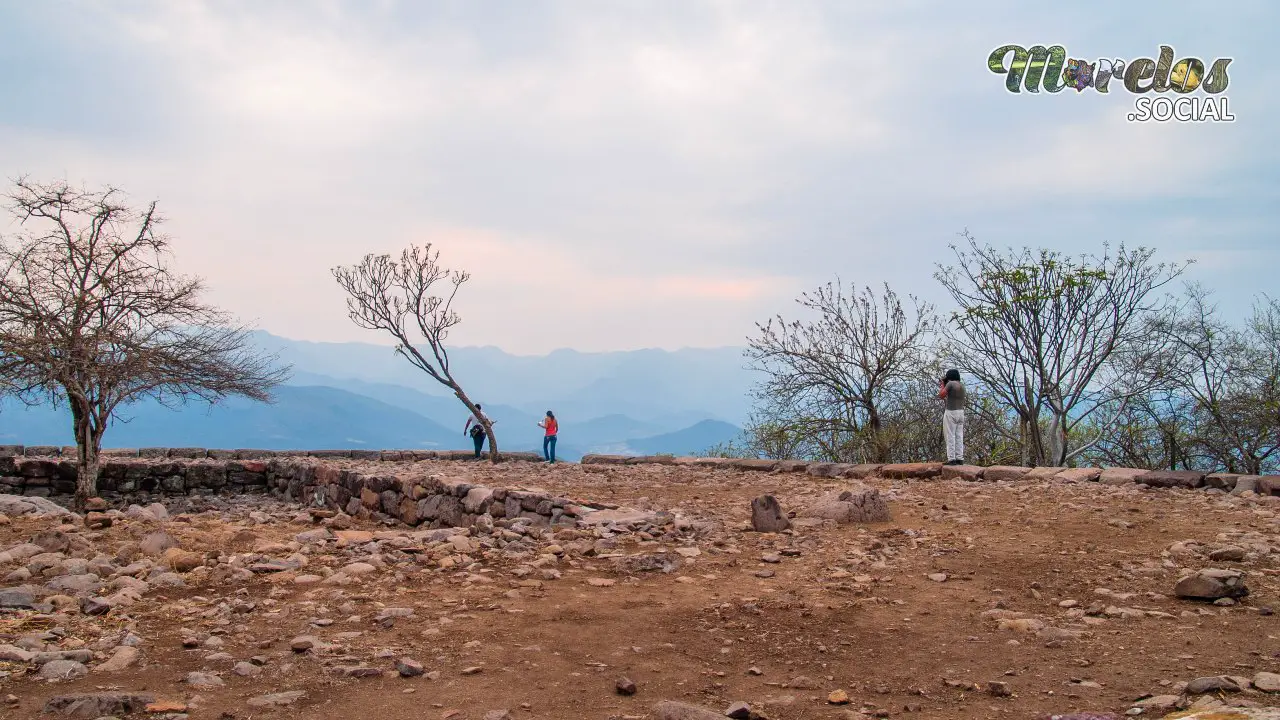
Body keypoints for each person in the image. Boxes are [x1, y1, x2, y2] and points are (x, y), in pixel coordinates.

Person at [938, 369, 966, 465]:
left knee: (950, 435)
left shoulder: (951, 384)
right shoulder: (961, 385)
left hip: (951, 411)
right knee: (959, 435)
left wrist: (942, 385)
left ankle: (951, 459)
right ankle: (959, 458)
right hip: (961, 412)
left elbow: (941, 395)